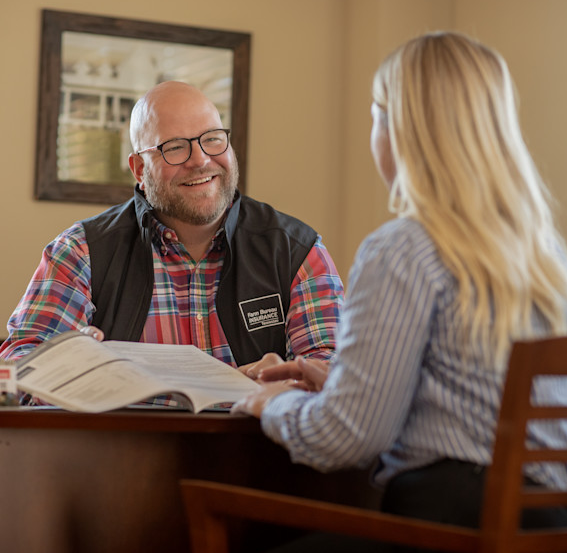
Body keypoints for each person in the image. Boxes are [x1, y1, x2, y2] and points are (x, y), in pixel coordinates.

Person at [233, 31, 567, 551]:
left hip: (464, 528)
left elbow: (346, 439)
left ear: (397, 128)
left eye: (374, 114)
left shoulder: (403, 248)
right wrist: (345, 385)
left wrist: (269, 402)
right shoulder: (547, 259)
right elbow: (467, 401)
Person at [1, 81, 344, 405]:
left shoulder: (297, 251)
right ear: (138, 168)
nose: (200, 160)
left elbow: (339, 380)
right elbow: (13, 377)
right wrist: (67, 367)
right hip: (119, 458)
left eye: (212, 139)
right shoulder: (81, 251)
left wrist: (290, 384)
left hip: (254, 457)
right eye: (175, 147)